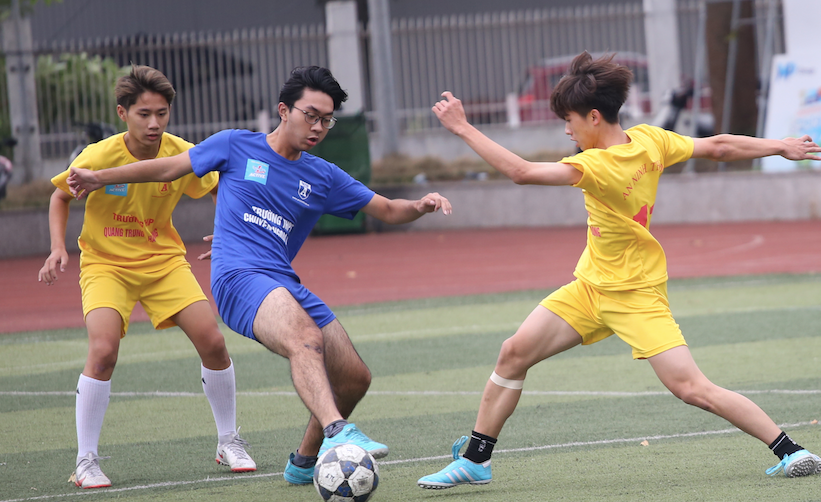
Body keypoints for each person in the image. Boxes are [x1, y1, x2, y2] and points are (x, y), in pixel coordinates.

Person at [417, 51, 821, 490]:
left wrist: (462, 127)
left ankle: (791, 450)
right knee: (514, 353)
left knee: (692, 387)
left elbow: (521, 171)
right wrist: (779, 146)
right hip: (590, 288)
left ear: (594, 116)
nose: (567, 130)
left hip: (636, 295)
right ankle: (476, 460)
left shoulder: (596, 165)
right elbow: (719, 146)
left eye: (569, 120)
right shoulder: (649, 139)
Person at [66, 65, 453, 486]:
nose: (318, 127)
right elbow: (165, 169)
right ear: (284, 111)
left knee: (354, 377)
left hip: (283, 282)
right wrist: (98, 177)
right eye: (310, 115)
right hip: (238, 279)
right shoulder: (235, 145)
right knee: (304, 339)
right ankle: (337, 431)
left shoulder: (322, 175)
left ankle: (303, 462)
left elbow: (388, 209)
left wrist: (420, 206)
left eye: (326, 120)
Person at [38, 65, 256, 490]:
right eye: (144, 114)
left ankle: (228, 440)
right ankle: (85, 461)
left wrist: (229, 233)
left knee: (213, 341)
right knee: (103, 350)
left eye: (162, 113)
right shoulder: (98, 155)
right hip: (106, 265)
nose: (154, 123)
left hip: (164, 263)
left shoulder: (181, 152)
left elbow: (220, 188)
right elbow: (60, 195)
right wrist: (57, 247)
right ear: (123, 113)